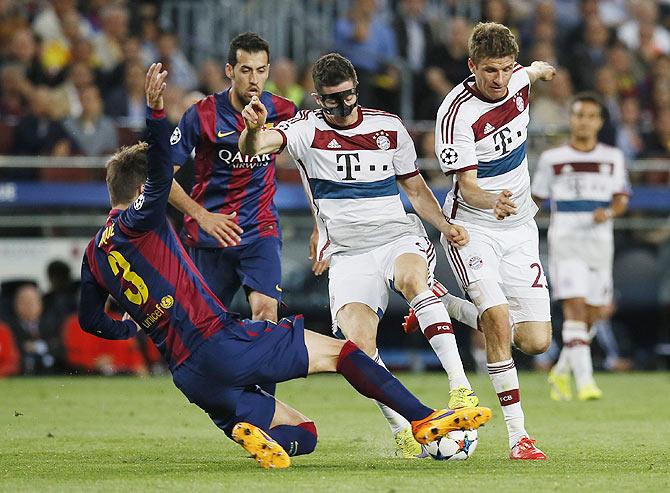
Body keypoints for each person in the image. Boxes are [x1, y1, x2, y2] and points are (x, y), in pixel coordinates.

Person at [77, 62, 492, 469]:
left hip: (188, 373)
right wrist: (154, 111)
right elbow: (162, 172)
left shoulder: (93, 254)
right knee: (345, 352)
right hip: (220, 341)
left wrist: (134, 326)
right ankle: (423, 417)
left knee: (304, 433)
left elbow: (91, 320)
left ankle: (256, 433)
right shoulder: (140, 220)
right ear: (140, 192)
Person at [238, 52, 477, 458]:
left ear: (356, 90)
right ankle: (403, 430)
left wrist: (444, 225)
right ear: (318, 99)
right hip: (348, 253)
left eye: (348, 96)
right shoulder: (305, 130)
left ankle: (461, 390)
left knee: (413, 280)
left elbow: (415, 189)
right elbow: (254, 147)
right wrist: (252, 130)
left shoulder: (388, 127)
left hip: (396, 235)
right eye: (333, 100)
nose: (343, 107)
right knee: (358, 348)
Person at [431, 22, 555, 460]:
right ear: (471, 66)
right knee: (499, 321)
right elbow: (465, 187)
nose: (498, 80)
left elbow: (532, 72)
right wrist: (491, 201)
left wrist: (542, 68)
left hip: (521, 229)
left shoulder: (519, 79)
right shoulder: (456, 114)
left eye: (505, 69)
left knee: (537, 340)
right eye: (488, 71)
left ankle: (440, 304)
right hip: (474, 229)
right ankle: (519, 437)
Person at [169, 32, 296, 326]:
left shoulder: (285, 111)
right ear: (230, 71)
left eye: (261, 71)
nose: (254, 79)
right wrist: (202, 216)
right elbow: (161, 178)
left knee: (266, 313)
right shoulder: (201, 115)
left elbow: (308, 165)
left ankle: (258, 370)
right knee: (199, 328)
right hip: (210, 236)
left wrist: (319, 224)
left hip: (259, 230)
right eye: (246, 70)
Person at [531, 92, 630, 401]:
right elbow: (536, 199)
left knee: (595, 313)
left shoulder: (612, 157)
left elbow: (621, 198)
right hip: (566, 243)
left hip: (600, 245)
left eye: (590, 116)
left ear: (599, 122)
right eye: (578, 115)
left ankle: (560, 372)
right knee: (574, 307)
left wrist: (610, 212)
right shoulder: (553, 159)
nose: (584, 121)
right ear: (570, 119)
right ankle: (586, 383)